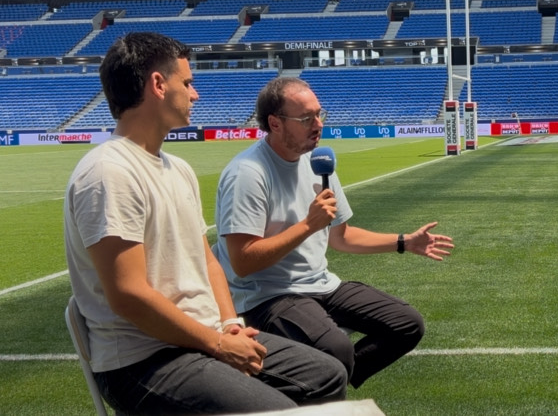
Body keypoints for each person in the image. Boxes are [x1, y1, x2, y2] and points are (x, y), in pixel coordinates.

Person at [64, 32, 347, 414]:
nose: (195, 94)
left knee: (327, 373)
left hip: (202, 339)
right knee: (277, 409)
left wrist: (229, 324)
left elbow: (208, 260)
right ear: (158, 85)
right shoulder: (108, 173)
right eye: (187, 83)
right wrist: (217, 344)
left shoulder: (177, 168)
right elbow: (128, 294)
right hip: (144, 360)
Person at [213, 77, 454, 389]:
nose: (318, 124)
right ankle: (319, 382)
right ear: (275, 123)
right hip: (266, 295)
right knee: (336, 350)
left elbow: (342, 237)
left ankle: (323, 383)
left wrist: (403, 242)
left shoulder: (319, 163)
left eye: (319, 114)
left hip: (320, 284)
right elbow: (243, 262)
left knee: (406, 325)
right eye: (306, 118)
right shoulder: (247, 174)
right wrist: (308, 226)